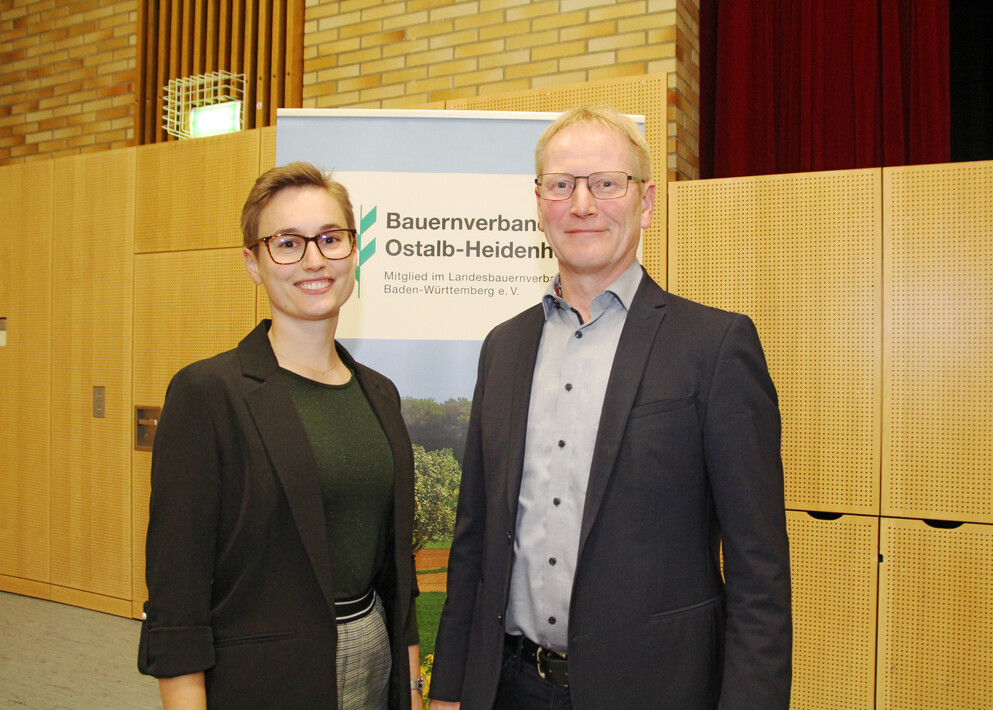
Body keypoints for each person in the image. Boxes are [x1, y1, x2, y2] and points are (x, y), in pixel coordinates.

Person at [428, 108, 792, 709]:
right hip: (509, 687)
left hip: (658, 691)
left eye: (606, 183)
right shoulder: (504, 347)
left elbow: (760, 572)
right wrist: (448, 691)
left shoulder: (715, 346)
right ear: (539, 201)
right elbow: (474, 539)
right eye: (562, 184)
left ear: (646, 201)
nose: (582, 204)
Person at [138, 162, 425, 710]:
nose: (314, 259)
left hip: (373, 662)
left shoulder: (380, 394)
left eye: (330, 238)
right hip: (261, 681)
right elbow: (178, 601)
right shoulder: (208, 394)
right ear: (253, 263)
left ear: (354, 251)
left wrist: (410, 690)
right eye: (288, 243)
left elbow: (399, 574)